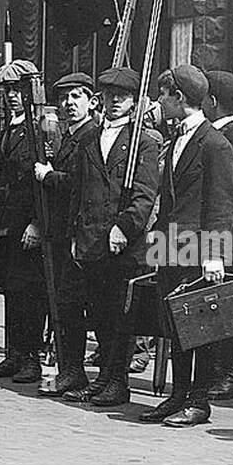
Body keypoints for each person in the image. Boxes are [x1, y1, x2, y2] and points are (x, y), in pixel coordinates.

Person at [140, 66, 233, 427]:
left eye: (163, 95)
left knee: (200, 328)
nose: (159, 101)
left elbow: (223, 204)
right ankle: (178, 395)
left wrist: (215, 256)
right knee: (173, 325)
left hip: (197, 250)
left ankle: (198, 401)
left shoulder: (215, 144)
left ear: (179, 97)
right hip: (170, 246)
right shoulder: (176, 137)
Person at [63, 66, 161, 407]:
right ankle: (103, 377)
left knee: (121, 316)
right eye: (109, 96)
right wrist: (76, 233)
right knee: (100, 315)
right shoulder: (89, 139)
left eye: (122, 96)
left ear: (133, 101)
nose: (114, 101)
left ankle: (118, 382)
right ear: (100, 98)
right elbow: (79, 189)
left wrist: (124, 228)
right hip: (90, 239)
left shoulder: (143, 143)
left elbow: (145, 197)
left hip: (122, 244)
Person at [0, 60, 49, 384]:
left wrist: (37, 222)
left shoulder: (42, 128)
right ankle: (14, 354)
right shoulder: (9, 129)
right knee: (10, 289)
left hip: (25, 223)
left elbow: (43, 182)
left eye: (18, 89)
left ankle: (31, 358)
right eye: (7, 90)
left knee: (29, 293)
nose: (12, 96)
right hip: (4, 222)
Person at [33, 71, 100, 395]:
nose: (69, 103)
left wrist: (49, 176)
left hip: (80, 235)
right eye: (64, 98)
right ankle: (70, 370)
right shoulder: (70, 135)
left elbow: (79, 183)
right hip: (62, 233)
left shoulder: (90, 136)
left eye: (76, 97)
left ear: (90, 101)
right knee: (66, 305)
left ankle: (78, 371)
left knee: (76, 305)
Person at [201, 69, 233, 400]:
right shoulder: (226, 135)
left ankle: (227, 374)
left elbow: (232, 191)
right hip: (222, 231)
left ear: (213, 102)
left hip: (230, 233)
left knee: (224, 305)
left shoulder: (232, 139)